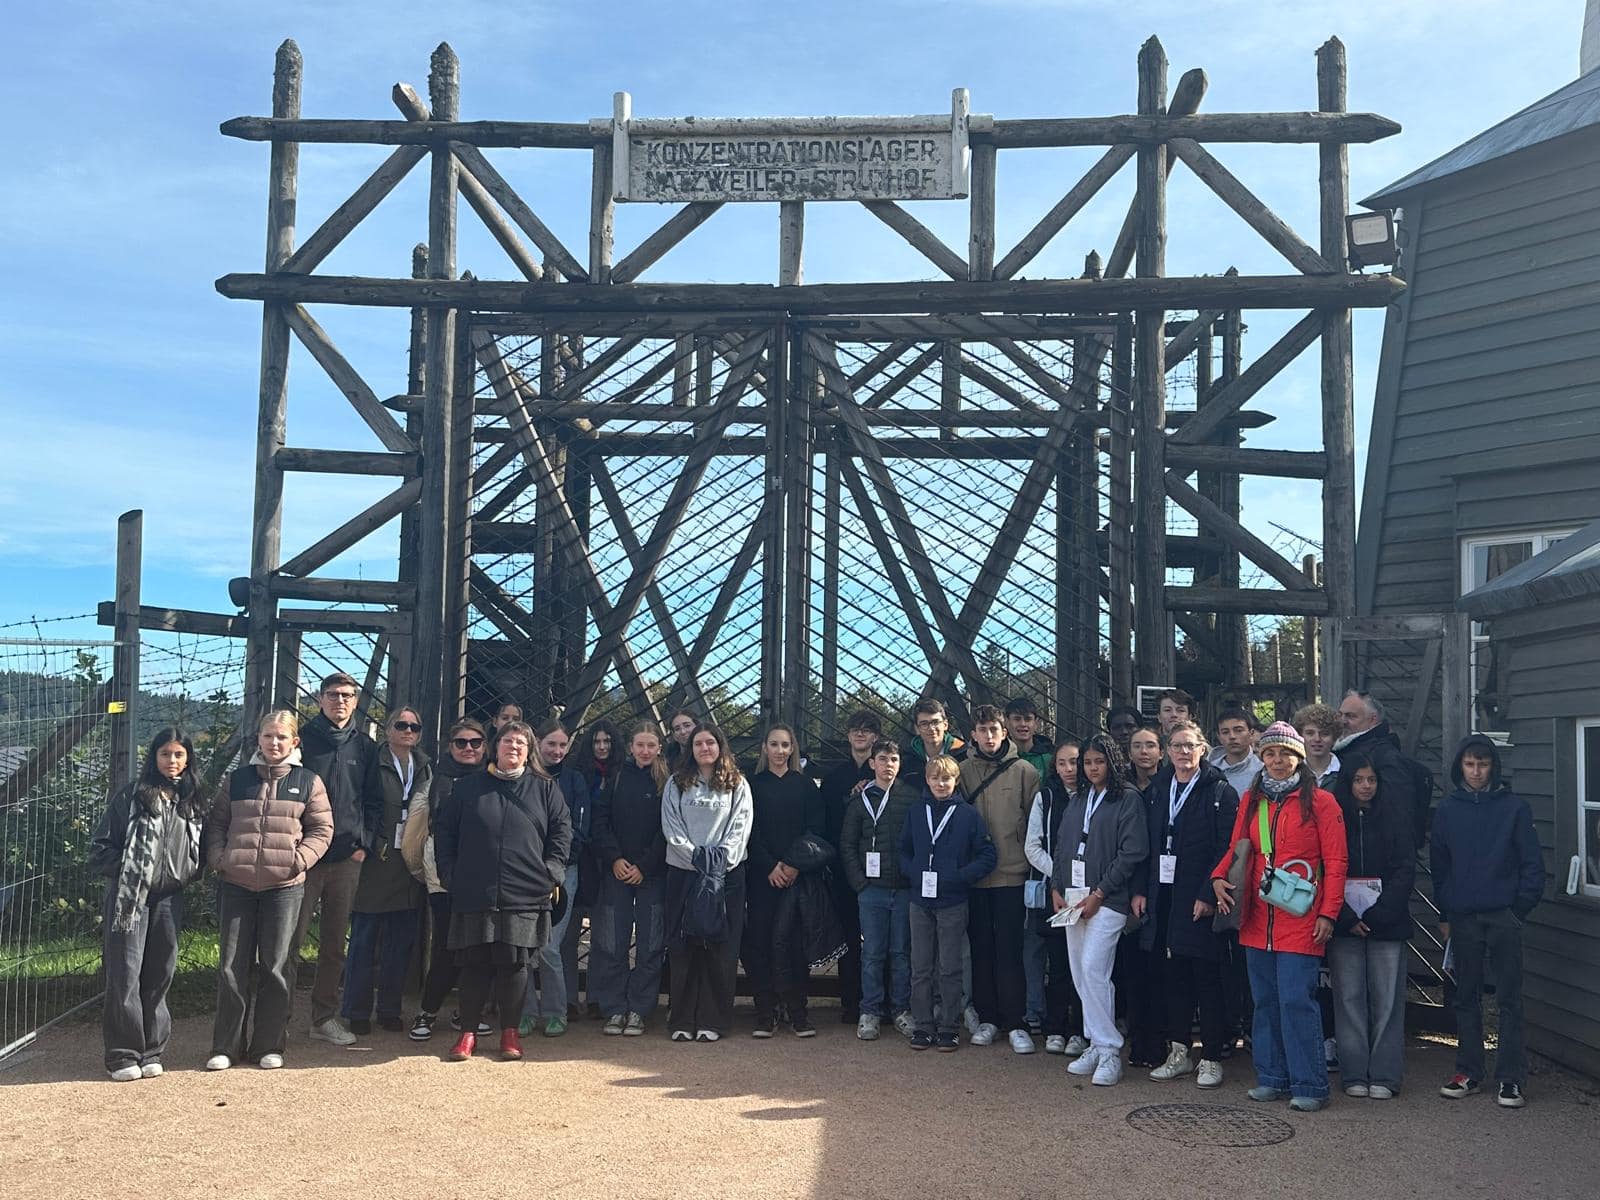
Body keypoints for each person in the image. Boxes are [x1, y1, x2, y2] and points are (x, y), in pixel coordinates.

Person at [1211, 722, 1347, 1112]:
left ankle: (1309, 1083)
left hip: (1301, 917)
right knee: (1265, 1000)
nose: (1277, 761)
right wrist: (1218, 877)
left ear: (1299, 758)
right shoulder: (1253, 798)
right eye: (1270, 754)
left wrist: (1329, 914)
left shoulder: (1322, 802)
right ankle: (1271, 1076)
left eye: (1285, 754)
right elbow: (1238, 848)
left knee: (1296, 1000)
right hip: (1257, 917)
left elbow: (1336, 862)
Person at [434, 720, 571, 1062]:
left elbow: (562, 833)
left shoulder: (545, 788)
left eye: (521, 743)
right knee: (474, 964)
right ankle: (467, 1033)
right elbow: (445, 834)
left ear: (530, 751)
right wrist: (450, 875)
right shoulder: (467, 788)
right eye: (508, 741)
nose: (514, 747)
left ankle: (510, 1033)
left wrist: (551, 873)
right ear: (495, 746)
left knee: (515, 964)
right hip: (475, 889)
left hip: (526, 891)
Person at [205, 709, 333, 1071]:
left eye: (282, 737)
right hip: (236, 883)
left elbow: (322, 830)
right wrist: (220, 858)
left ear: (294, 742)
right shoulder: (237, 780)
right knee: (232, 967)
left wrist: (298, 861)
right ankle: (226, 1047)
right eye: (268, 736)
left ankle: (269, 1045)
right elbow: (216, 823)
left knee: (276, 966)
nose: (274, 743)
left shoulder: (308, 781)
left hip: (285, 887)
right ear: (258, 740)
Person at [1432, 734, 1543, 1108]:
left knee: (1510, 999)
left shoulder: (1514, 808)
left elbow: (1532, 865)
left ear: (1493, 766)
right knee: (1466, 997)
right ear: (1459, 767)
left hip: (1503, 916)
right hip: (1463, 918)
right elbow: (1440, 866)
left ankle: (1511, 1077)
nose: (1476, 772)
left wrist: (1518, 911)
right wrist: (1445, 913)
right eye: (1469, 764)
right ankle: (1469, 1070)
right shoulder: (1448, 810)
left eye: (1483, 764)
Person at [90, 727, 207, 1081]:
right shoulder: (132, 796)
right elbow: (99, 850)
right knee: (125, 973)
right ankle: (123, 1054)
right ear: (153, 757)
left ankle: (153, 1049)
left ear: (188, 759)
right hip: (129, 899)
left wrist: (187, 873)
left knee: (160, 972)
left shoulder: (194, 801)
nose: (172, 761)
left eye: (179, 755)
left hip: (171, 898)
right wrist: (130, 870)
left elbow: (201, 850)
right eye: (165, 754)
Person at [1133, 719, 1238, 1089]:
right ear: (1167, 751)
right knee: (1172, 977)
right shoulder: (1157, 790)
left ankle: (1210, 1056)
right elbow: (1145, 844)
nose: (1182, 752)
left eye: (1189, 745)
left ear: (1203, 749)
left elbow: (1228, 848)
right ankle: (1179, 1051)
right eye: (1176, 745)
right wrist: (1141, 890)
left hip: (1199, 898)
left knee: (1206, 979)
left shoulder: (1220, 792)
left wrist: (1208, 894)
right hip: (1164, 898)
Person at [291, 671, 383, 1048]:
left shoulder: (365, 747)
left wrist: (364, 844)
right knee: (289, 941)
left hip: (347, 858)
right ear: (319, 699)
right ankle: (274, 1019)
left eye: (347, 695)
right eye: (332, 695)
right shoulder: (303, 742)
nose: (340, 701)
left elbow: (375, 801)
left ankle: (323, 1017)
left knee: (333, 944)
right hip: (303, 858)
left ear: (356, 700)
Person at [1051, 734, 1149, 1087]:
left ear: (1112, 762)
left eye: (1098, 762)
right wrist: (1055, 886)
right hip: (1073, 897)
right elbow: (1062, 845)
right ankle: (1095, 1039)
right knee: (1080, 972)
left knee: (1095, 968)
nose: (1092, 768)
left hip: (1109, 899)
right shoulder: (1077, 800)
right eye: (1087, 763)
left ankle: (1109, 1049)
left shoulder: (1128, 800)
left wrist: (1101, 891)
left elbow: (1132, 852)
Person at [1328, 752, 1415, 1099]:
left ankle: (1385, 1073)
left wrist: (1380, 913)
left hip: (1387, 921)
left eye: (1371, 780)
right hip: (1344, 920)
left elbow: (1405, 869)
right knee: (1348, 998)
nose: (1365, 786)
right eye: (1359, 780)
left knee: (1388, 999)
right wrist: (1346, 916)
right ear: (1348, 784)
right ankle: (1353, 1073)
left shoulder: (1396, 816)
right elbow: (1326, 866)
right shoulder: (1334, 817)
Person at [957, 704, 1041, 1054]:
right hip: (974, 877)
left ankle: (1016, 1021)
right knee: (981, 949)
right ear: (973, 734)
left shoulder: (1025, 771)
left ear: (1004, 731)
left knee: (1011, 950)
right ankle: (988, 1017)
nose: (989, 736)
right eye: (982, 730)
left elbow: (1035, 824)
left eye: (994, 729)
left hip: (1011, 873)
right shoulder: (961, 771)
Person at [898, 755, 997, 1051]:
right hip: (920, 900)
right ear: (927, 780)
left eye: (946, 779)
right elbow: (903, 849)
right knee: (920, 965)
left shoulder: (967, 815)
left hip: (953, 900)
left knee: (950, 966)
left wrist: (959, 876)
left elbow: (987, 855)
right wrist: (913, 871)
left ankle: (949, 1026)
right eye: (935, 778)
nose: (941, 784)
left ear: (955, 782)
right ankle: (923, 1024)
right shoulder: (916, 811)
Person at [663, 722, 753, 1042]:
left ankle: (713, 1020)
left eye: (711, 743)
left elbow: (740, 829)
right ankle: (682, 1019)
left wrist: (715, 865)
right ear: (691, 748)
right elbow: (672, 828)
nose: (705, 748)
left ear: (720, 747)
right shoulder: (676, 783)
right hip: (684, 874)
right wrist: (698, 861)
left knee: (719, 949)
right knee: (684, 947)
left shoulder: (737, 783)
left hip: (725, 877)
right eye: (699, 743)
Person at [343, 707, 429, 1035]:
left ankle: (390, 1008)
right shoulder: (372, 762)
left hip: (408, 859)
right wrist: (363, 842)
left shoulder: (423, 766)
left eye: (414, 726)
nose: (408, 730)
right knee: (364, 940)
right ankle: (357, 1010)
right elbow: (357, 803)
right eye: (401, 725)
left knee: (400, 941)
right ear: (387, 728)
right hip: (375, 858)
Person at [401, 717, 487, 1041]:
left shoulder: (492, 780)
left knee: (478, 947)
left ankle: (466, 1011)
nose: (468, 748)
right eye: (461, 742)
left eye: (475, 742)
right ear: (450, 747)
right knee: (446, 947)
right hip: (444, 876)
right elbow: (414, 836)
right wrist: (422, 872)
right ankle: (428, 1009)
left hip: (482, 876)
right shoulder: (434, 783)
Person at [590, 722, 671, 1037]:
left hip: (652, 874)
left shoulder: (668, 782)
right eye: (640, 745)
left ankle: (639, 1009)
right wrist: (615, 858)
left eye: (651, 745)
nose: (646, 751)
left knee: (650, 944)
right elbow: (600, 820)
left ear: (659, 748)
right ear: (631, 747)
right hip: (617, 870)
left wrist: (645, 866)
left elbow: (670, 828)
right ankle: (614, 1008)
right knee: (613, 942)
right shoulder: (616, 777)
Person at [744, 723, 825, 1038]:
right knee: (760, 943)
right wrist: (770, 866)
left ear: (793, 750)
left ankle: (797, 1010)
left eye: (785, 745)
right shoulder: (751, 785)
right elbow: (748, 830)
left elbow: (816, 828)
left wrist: (792, 865)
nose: (779, 751)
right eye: (774, 744)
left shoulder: (805, 787)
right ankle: (765, 1011)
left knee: (794, 944)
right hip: (762, 876)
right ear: (764, 748)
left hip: (796, 877)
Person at [839, 738, 918, 1041]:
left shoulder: (911, 798)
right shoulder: (859, 800)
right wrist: (860, 883)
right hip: (871, 890)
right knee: (871, 953)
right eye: (882, 759)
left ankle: (900, 1009)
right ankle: (869, 1010)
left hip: (902, 889)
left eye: (894, 760)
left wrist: (910, 878)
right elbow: (847, 844)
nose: (888, 765)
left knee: (900, 953)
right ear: (872, 763)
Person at [817, 708, 882, 1024]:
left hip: (880, 866)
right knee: (848, 934)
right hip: (843, 867)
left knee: (880, 936)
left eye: (867, 730)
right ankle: (850, 1000)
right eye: (855, 729)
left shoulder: (885, 772)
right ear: (848, 736)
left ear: (876, 737)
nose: (860, 734)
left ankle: (880, 1001)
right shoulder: (834, 778)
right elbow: (825, 823)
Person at [522, 719, 586, 1036]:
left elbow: (578, 830)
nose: (557, 750)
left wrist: (557, 863)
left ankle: (555, 1011)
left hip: (562, 872)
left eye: (563, 745)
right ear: (538, 742)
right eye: (552, 744)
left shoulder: (574, 781)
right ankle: (524, 1011)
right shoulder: (525, 778)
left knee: (548, 945)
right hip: (523, 870)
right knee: (521, 944)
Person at [1023, 738, 1085, 1056]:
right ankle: (1056, 1027)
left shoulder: (1095, 796)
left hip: (1088, 891)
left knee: (1085, 964)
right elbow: (1032, 846)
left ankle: (1080, 1030)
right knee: (1058, 961)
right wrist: (1058, 878)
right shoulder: (1045, 797)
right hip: (1056, 890)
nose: (1068, 769)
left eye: (1074, 762)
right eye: (1061, 763)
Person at [1121, 723, 1166, 1067]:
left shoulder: (1170, 785)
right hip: (1127, 887)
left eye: (1150, 745)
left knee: (1160, 969)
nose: (1144, 751)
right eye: (1138, 745)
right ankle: (1137, 1039)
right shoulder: (1120, 789)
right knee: (1131, 968)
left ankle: (1161, 1040)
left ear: (1160, 751)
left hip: (1163, 887)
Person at [1336, 691, 1426, 846]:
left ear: (1372, 720)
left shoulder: (1387, 758)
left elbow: (1399, 817)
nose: (1343, 721)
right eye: (1341, 715)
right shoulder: (1341, 751)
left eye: (1351, 716)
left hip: (1374, 852)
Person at [901, 697, 967, 775]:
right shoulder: (907, 761)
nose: (931, 728)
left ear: (945, 725)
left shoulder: (964, 754)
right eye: (924, 724)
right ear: (917, 729)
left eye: (935, 722)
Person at [1209, 707, 1263, 799]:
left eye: (1238, 730)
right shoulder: (1208, 772)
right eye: (1225, 732)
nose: (1232, 736)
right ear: (1219, 737)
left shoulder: (1263, 772)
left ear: (1251, 733)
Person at [1293, 703, 1342, 790]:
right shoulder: (1292, 770)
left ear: (1334, 737)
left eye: (1324, 733)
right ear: (1300, 736)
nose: (1317, 739)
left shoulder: (1346, 769)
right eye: (1310, 733)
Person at [1004, 696, 1052, 778]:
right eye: (1017, 719)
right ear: (1007, 722)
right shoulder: (998, 756)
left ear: (1036, 723)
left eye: (1028, 719)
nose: (1023, 724)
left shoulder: (1049, 758)